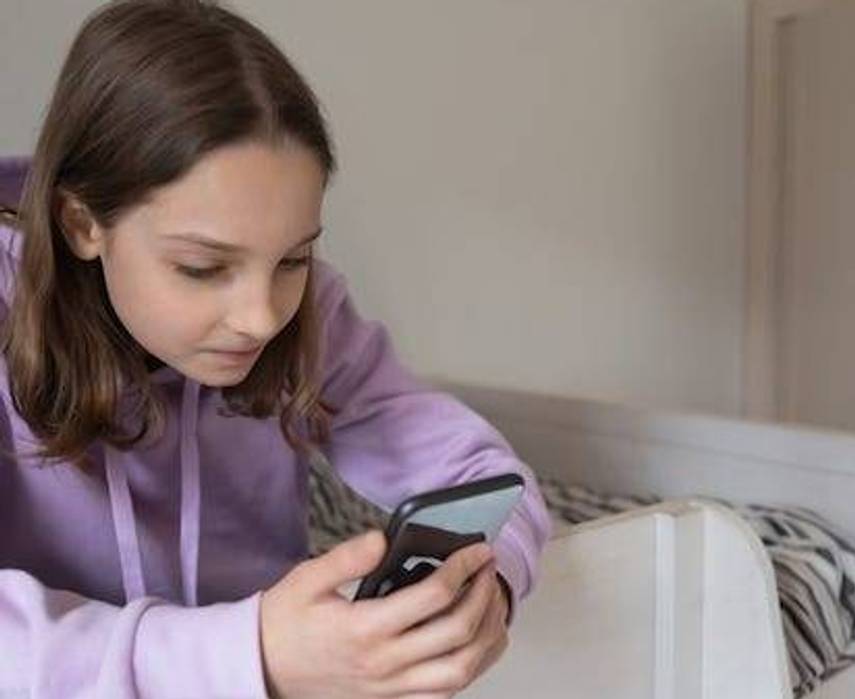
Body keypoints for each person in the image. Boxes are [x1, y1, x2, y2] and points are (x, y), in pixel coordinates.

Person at [0, 1, 551, 696]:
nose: (261, 319)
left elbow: (480, 477)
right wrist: (253, 650)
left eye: (293, 258)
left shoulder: (310, 314)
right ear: (82, 223)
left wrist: (489, 581)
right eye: (203, 267)